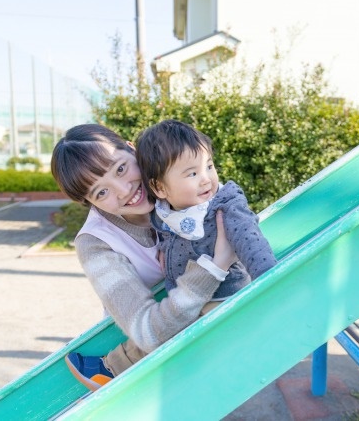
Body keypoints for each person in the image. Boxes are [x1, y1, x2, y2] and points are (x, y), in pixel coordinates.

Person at [50, 124, 237, 391]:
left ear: (131, 148)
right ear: (90, 203)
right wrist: (215, 266)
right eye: (101, 192)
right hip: (153, 362)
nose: (123, 190)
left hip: (205, 329)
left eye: (121, 169)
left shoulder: (178, 181)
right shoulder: (95, 242)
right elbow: (146, 333)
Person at [136, 119, 277, 312]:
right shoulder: (162, 215)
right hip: (185, 301)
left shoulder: (225, 205)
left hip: (227, 298)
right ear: (159, 187)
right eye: (192, 174)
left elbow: (250, 238)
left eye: (209, 166)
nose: (206, 179)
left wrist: (270, 278)